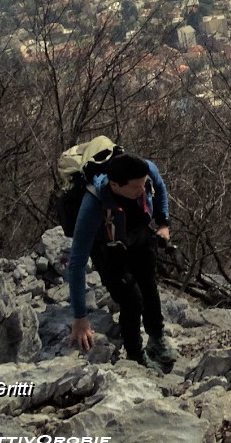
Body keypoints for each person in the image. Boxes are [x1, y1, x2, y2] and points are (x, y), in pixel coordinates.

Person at [67, 152, 175, 370]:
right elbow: (76, 263)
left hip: (139, 235)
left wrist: (163, 223)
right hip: (107, 249)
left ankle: (156, 339)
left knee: (149, 286)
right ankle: (135, 355)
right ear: (115, 185)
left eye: (144, 185)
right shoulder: (93, 206)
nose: (143, 190)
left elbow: (160, 187)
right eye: (136, 188)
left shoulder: (146, 172)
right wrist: (80, 318)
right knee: (131, 300)